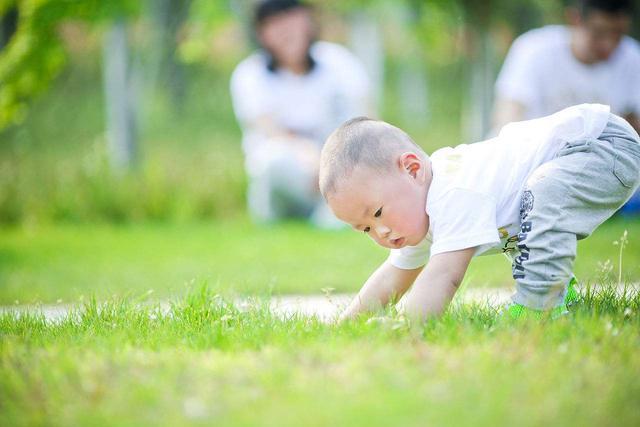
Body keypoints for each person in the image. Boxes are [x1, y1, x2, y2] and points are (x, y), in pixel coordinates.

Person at [319, 104, 640, 322]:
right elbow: (392, 277)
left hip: (600, 144)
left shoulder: (453, 193)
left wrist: (404, 327)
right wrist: (347, 325)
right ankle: (553, 286)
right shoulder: (417, 213)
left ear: (413, 169)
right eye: (365, 229)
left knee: (541, 194)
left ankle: (539, 306)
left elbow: (444, 275)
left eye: (377, 213)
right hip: (585, 149)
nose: (381, 232)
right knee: (519, 217)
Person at [230, 0, 371, 226]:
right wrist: (312, 159)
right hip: (287, 171)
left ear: (308, 20)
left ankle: (332, 214)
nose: (285, 29)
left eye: (290, 17)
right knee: (271, 159)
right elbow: (269, 129)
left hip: (338, 171)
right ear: (261, 33)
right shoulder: (250, 73)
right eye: (273, 22)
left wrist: (332, 165)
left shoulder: (338, 61)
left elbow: (365, 120)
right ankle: (273, 220)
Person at [493, 0, 640, 134]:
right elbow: (507, 118)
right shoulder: (534, 49)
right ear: (575, 19)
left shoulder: (632, 58)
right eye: (599, 33)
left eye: (618, 34)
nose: (608, 44)